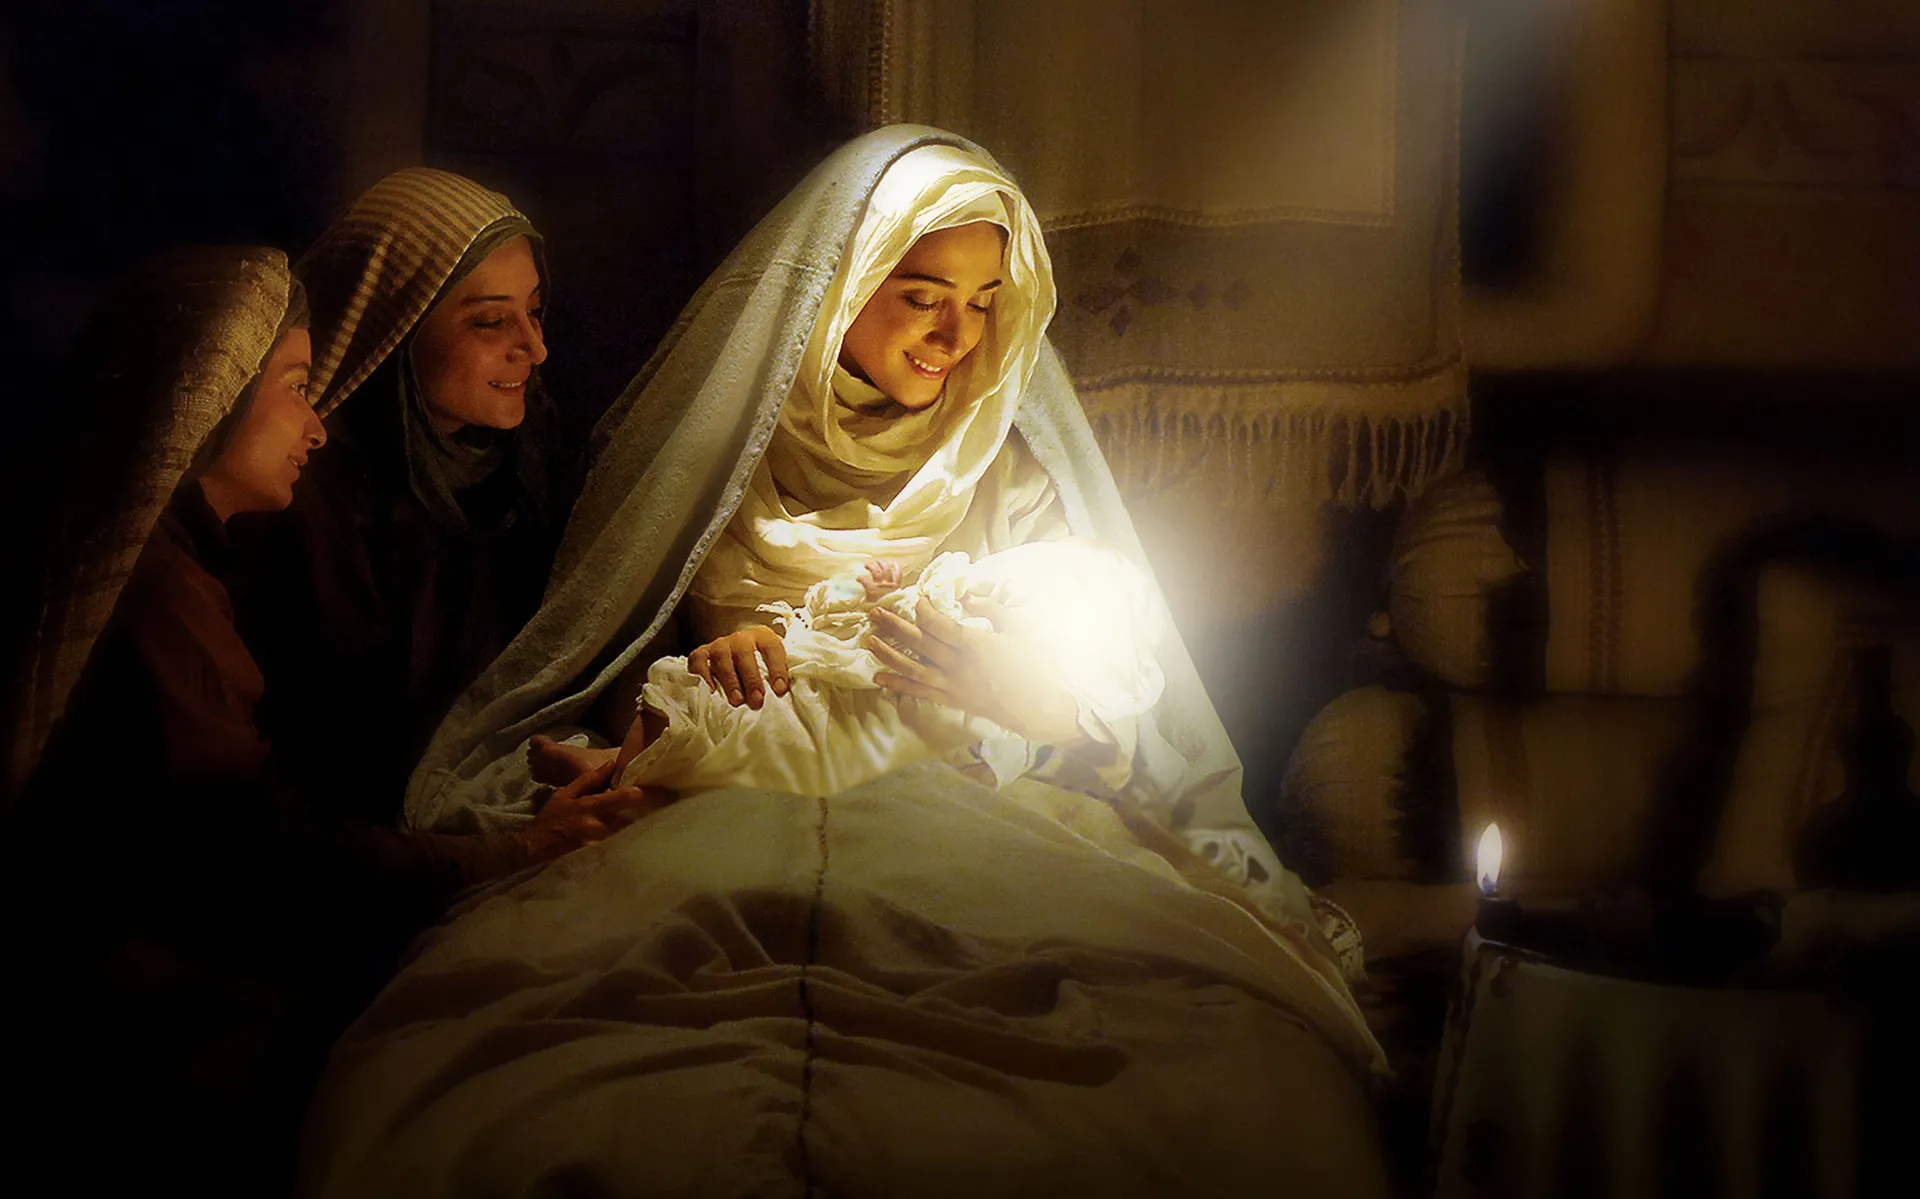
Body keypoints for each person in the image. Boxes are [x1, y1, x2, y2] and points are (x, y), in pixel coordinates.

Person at [0, 247, 652, 1198]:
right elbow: (258, 845)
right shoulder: (177, 594)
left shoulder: (512, 473)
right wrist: (506, 850)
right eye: (299, 389)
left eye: (536, 312)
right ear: (205, 397)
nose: (316, 422)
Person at [231, 168, 578, 823]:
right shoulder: (303, 495)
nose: (534, 348)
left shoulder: (528, 448)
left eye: (534, 311)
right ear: (396, 329)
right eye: (490, 322)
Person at [529, 535, 1168, 798]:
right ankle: (616, 765)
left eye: (982, 305)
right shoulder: (730, 443)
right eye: (921, 301)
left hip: (891, 747)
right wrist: (852, 593)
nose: (952, 337)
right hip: (799, 670)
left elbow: (1104, 725)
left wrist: (1039, 711)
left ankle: (623, 774)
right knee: (717, 711)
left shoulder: (1017, 482)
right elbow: (618, 633)